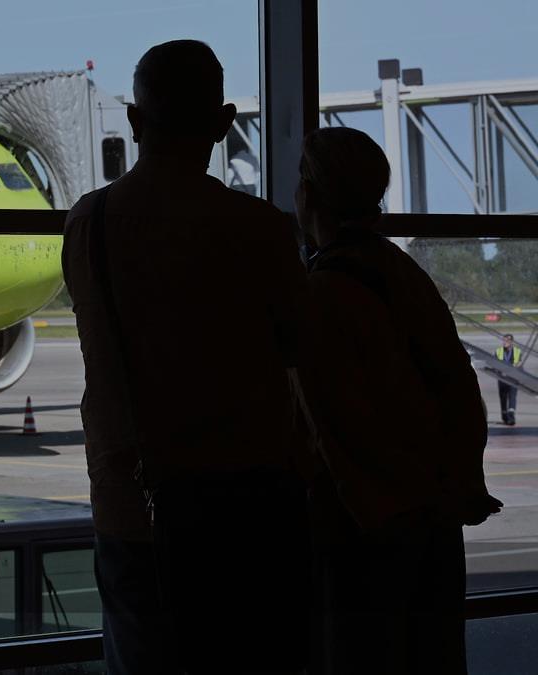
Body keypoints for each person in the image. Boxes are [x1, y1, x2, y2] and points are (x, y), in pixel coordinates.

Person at [62, 39, 309, 674]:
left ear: (134, 121)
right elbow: (298, 347)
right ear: (224, 124)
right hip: (247, 503)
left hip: (135, 503)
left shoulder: (88, 223)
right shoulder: (261, 227)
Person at [292, 127, 503, 674]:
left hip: (370, 523)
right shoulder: (401, 271)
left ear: (309, 194)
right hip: (430, 512)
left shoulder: (323, 290)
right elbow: (457, 383)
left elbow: (336, 424)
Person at [496, 334, 521, 426]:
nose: (504, 342)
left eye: (506, 341)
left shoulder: (517, 351)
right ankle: (504, 417)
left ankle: (511, 417)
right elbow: (495, 363)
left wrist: (511, 369)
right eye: (503, 340)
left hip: (513, 378)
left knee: (512, 397)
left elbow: (519, 363)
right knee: (503, 397)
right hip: (502, 378)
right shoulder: (498, 351)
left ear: (511, 342)